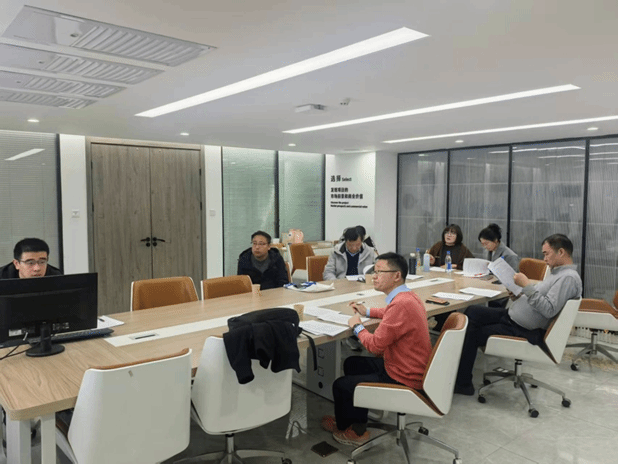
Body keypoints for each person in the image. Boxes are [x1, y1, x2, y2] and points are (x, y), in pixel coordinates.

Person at [320, 252, 432, 445]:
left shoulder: (400, 304)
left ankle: (354, 433)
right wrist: (368, 311)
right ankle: (354, 422)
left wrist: (357, 326)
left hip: (404, 376)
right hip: (409, 367)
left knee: (341, 385)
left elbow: (374, 346)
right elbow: (391, 313)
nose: (374, 276)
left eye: (380, 272)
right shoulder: (407, 297)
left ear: (396, 276)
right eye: (374, 271)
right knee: (352, 364)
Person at [454, 234, 582, 395]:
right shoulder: (558, 273)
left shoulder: (568, 278)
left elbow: (549, 309)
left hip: (524, 329)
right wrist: (519, 295)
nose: (544, 259)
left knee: (472, 332)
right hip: (513, 317)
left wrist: (526, 285)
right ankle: (459, 374)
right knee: (472, 312)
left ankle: (463, 383)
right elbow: (540, 298)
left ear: (561, 252)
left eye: (546, 254)